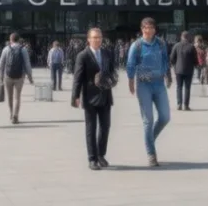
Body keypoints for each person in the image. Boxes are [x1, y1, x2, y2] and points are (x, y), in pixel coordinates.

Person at [126, 18, 172, 167]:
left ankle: (149, 139)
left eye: (151, 27)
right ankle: (151, 153)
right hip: (144, 85)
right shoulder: (137, 45)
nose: (149, 30)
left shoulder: (161, 44)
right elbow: (130, 64)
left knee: (165, 117)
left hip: (159, 83)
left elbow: (165, 60)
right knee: (148, 120)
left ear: (155, 29)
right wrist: (131, 81)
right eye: (146, 27)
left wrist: (168, 75)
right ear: (142, 29)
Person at [72, 28, 116, 170]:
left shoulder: (107, 53)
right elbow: (78, 77)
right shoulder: (83, 56)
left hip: (105, 95)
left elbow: (111, 71)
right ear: (89, 39)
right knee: (91, 128)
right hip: (90, 97)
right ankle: (92, 158)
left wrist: (113, 79)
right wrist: (75, 96)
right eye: (94, 37)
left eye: (99, 37)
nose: (97, 40)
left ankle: (101, 154)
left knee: (105, 127)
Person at [0, 33, 33, 124]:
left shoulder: (6, 49)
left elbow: (1, 64)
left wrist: (1, 77)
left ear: (11, 39)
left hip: (8, 76)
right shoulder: (23, 49)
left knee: (9, 97)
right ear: (19, 40)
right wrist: (30, 77)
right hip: (20, 76)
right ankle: (15, 116)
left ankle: (11, 113)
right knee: (17, 97)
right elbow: (27, 64)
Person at [169, 31, 197, 111]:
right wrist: (195, 64)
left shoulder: (176, 46)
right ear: (188, 37)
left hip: (178, 70)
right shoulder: (192, 47)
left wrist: (175, 65)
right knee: (187, 88)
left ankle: (179, 104)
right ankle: (186, 105)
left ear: (181, 37)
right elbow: (195, 59)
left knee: (179, 87)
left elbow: (171, 58)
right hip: (189, 70)